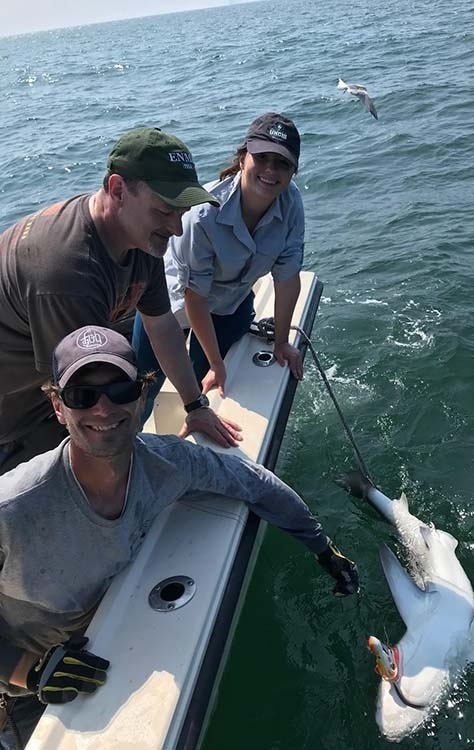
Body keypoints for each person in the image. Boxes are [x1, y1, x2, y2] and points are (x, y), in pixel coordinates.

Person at [0, 325, 358, 748]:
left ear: (141, 395)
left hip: (103, 643)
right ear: (58, 407)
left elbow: (255, 483)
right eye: (82, 396)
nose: (102, 408)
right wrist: (31, 670)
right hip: (19, 685)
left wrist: (322, 547)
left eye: (119, 390)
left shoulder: (168, 463)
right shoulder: (13, 506)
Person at [0, 127, 242, 476]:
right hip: (17, 412)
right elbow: (84, 396)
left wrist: (195, 406)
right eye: (164, 211)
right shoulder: (68, 273)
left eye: (181, 212)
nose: (176, 229)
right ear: (117, 190)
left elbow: (161, 325)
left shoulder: (137, 236)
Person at [133, 113, 305, 420]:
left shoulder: (291, 203)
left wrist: (282, 343)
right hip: (172, 303)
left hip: (229, 302)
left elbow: (288, 278)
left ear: (293, 172)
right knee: (142, 387)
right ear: (242, 159)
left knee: (207, 388)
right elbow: (194, 297)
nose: (270, 170)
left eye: (282, 163)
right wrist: (216, 363)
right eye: (262, 157)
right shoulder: (204, 214)